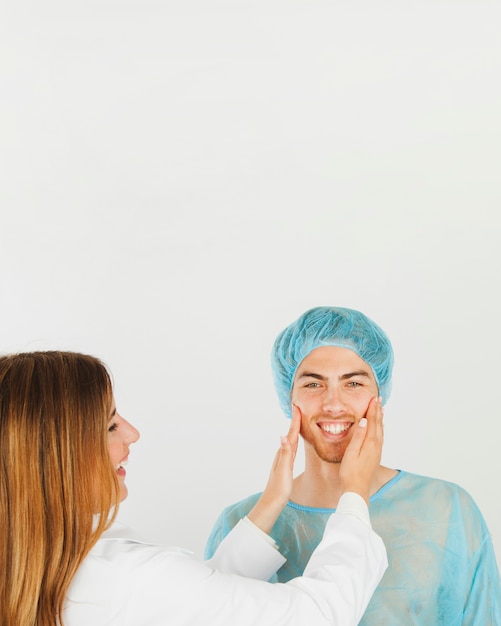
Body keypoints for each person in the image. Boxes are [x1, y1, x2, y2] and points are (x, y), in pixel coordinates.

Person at [0, 350, 388, 626]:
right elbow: (319, 615)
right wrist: (353, 495)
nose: (133, 433)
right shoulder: (126, 579)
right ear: (57, 455)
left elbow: (196, 602)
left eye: (353, 382)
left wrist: (271, 503)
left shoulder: (44, 557)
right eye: (110, 425)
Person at [205, 306, 501, 625]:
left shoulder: (446, 508)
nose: (334, 404)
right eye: (313, 384)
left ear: (380, 395)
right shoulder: (242, 524)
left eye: (354, 384)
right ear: (288, 397)